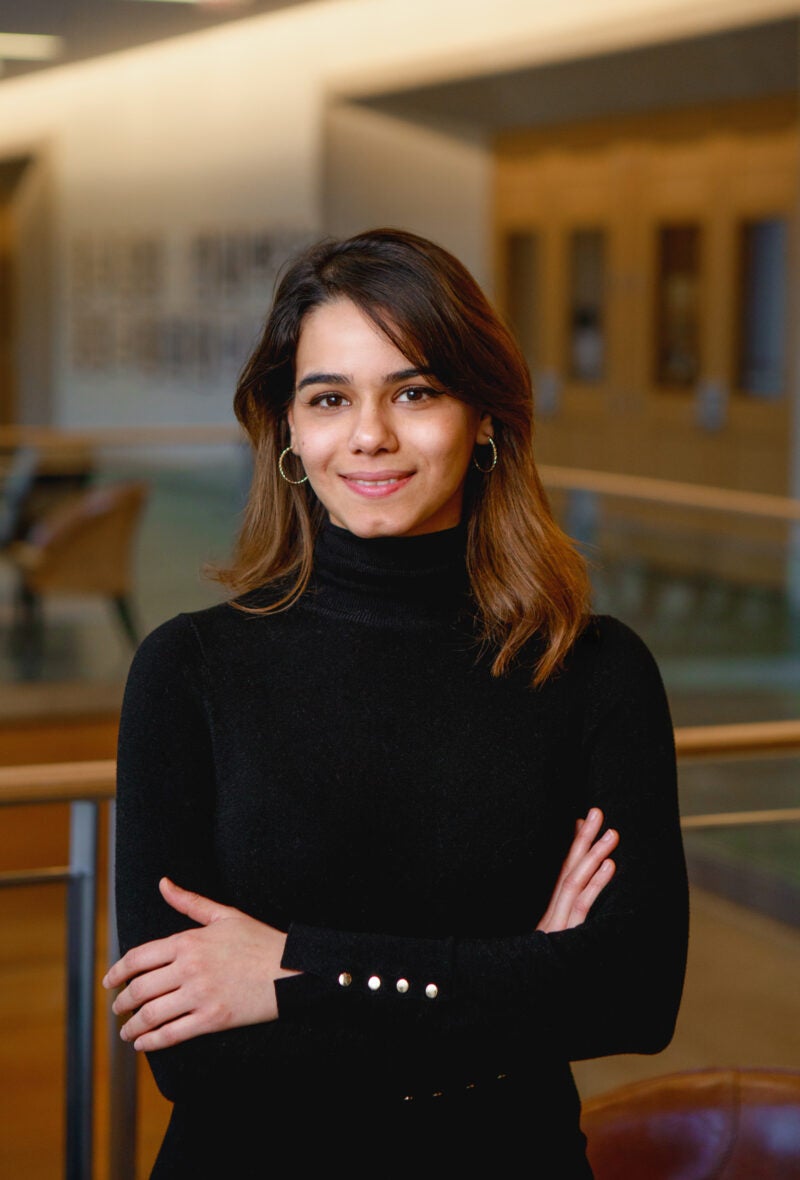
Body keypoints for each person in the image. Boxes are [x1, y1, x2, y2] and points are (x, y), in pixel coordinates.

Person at [104, 228, 688, 1177]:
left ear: (486, 417)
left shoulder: (593, 670)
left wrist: (287, 968)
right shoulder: (190, 668)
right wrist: (521, 974)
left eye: (415, 392)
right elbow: (192, 1054)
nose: (370, 434)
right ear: (289, 429)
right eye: (329, 398)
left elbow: (632, 997)